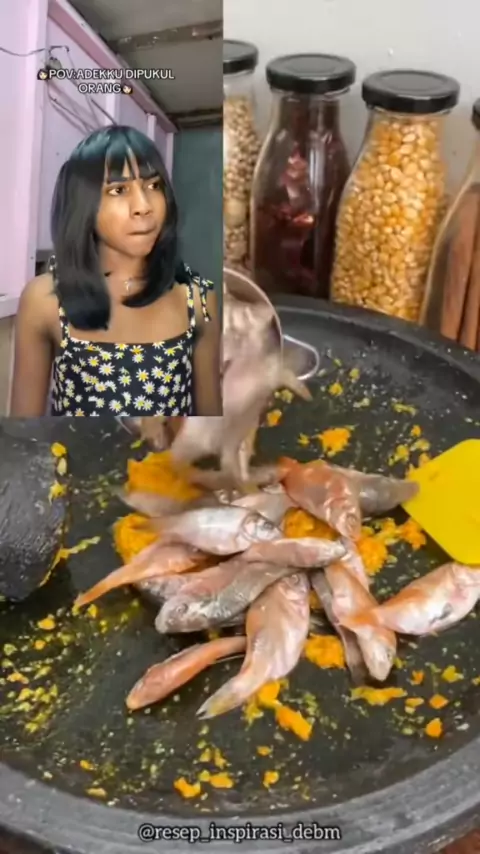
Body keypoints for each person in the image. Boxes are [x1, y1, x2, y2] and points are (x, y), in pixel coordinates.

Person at [9, 125, 222, 417]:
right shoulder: (44, 299)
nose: (143, 207)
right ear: (83, 204)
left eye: (153, 186)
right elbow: (24, 430)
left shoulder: (198, 298)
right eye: (118, 190)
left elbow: (212, 424)